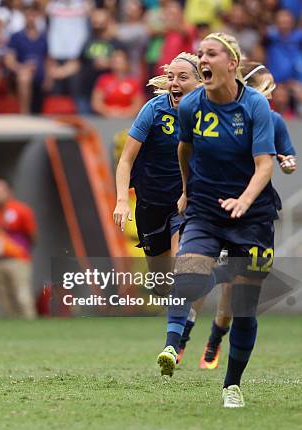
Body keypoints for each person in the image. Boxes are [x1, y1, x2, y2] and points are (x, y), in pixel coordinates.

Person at [156, 33, 278, 409]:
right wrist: (186, 190)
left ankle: (232, 385)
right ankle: (172, 347)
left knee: (241, 304)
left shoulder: (255, 106)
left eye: (210, 53)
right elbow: (185, 148)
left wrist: (244, 199)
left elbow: (265, 164)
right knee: (188, 274)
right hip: (206, 208)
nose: (202, 59)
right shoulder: (191, 104)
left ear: (231, 62)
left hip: (252, 214)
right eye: (201, 54)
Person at [177, 61, 297, 369]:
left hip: (250, 212)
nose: (267, 96)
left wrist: (287, 161)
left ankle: (216, 338)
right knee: (200, 272)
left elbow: (286, 155)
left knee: (234, 285)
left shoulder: (272, 120)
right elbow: (189, 149)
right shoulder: (221, 115)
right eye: (264, 89)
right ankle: (182, 335)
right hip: (214, 207)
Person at [113, 52, 202, 288]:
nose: (175, 82)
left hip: (185, 202)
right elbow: (125, 160)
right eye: (171, 77)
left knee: (183, 263)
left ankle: (181, 320)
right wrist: (122, 200)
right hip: (150, 203)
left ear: (200, 82)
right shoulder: (153, 110)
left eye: (183, 77)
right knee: (162, 284)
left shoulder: (209, 113)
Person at [0, 179, 37, 319]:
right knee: (3, 299)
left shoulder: (21, 210)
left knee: (22, 296)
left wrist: (20, 250)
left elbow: (32, 235)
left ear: (9, 192)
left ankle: (32, 327)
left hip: (18, 260)